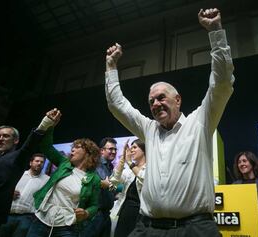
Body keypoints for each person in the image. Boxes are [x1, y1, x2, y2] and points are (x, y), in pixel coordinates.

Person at [105, 7, 234, 237]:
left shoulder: (200, 123)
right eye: (151, 101)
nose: (155, 103)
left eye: (161, 97)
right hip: (147, 228)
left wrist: (215, 32)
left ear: (178, 99)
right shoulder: (148, 130)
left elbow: (222, 83)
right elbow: (117, 105)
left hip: (195, 229)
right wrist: (111, 67)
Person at [26, 108, 101, 237]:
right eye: (73, 147)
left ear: (89, 153)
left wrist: (87, 213)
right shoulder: (64, 163)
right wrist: (51, 126)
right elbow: (46, 147)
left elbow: (94, 205)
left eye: (77, 147)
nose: (72, 149)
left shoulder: (94, 178)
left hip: (67, 227)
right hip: (41, 219)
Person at [0, 118, 52, 237]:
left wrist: (45, 123)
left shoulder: (16, 158)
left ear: (15, 140)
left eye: (5, 136)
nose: (0, 139)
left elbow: (29, 145)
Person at [0, 153, 50, 237]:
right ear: (30, 163)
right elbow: (4, 188)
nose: (39, 163)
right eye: (37, 161)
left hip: (27, 218)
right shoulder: (19, 174)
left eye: (42, 162)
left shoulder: (46, 180)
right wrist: (9, 193)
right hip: (8, 214)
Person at [81, 137, 118, 237]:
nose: (114, 151)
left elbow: (109, 188)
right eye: (110, 149)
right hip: (94, 215)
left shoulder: (111, 167)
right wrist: (102, 183)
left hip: (106, 214)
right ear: (102, 150)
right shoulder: (94, 163)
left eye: (115, 149)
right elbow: (84, 180)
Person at [111, 139, 146, 237]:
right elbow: (114, 181)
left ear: (144, 150)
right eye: (130, 148)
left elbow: (144, 178)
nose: (131, 150)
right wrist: (123, 159)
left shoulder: (149, 167)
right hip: (125, 211)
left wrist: (130, 162)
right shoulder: (129, 170)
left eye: (135, 147)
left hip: (140, 213)